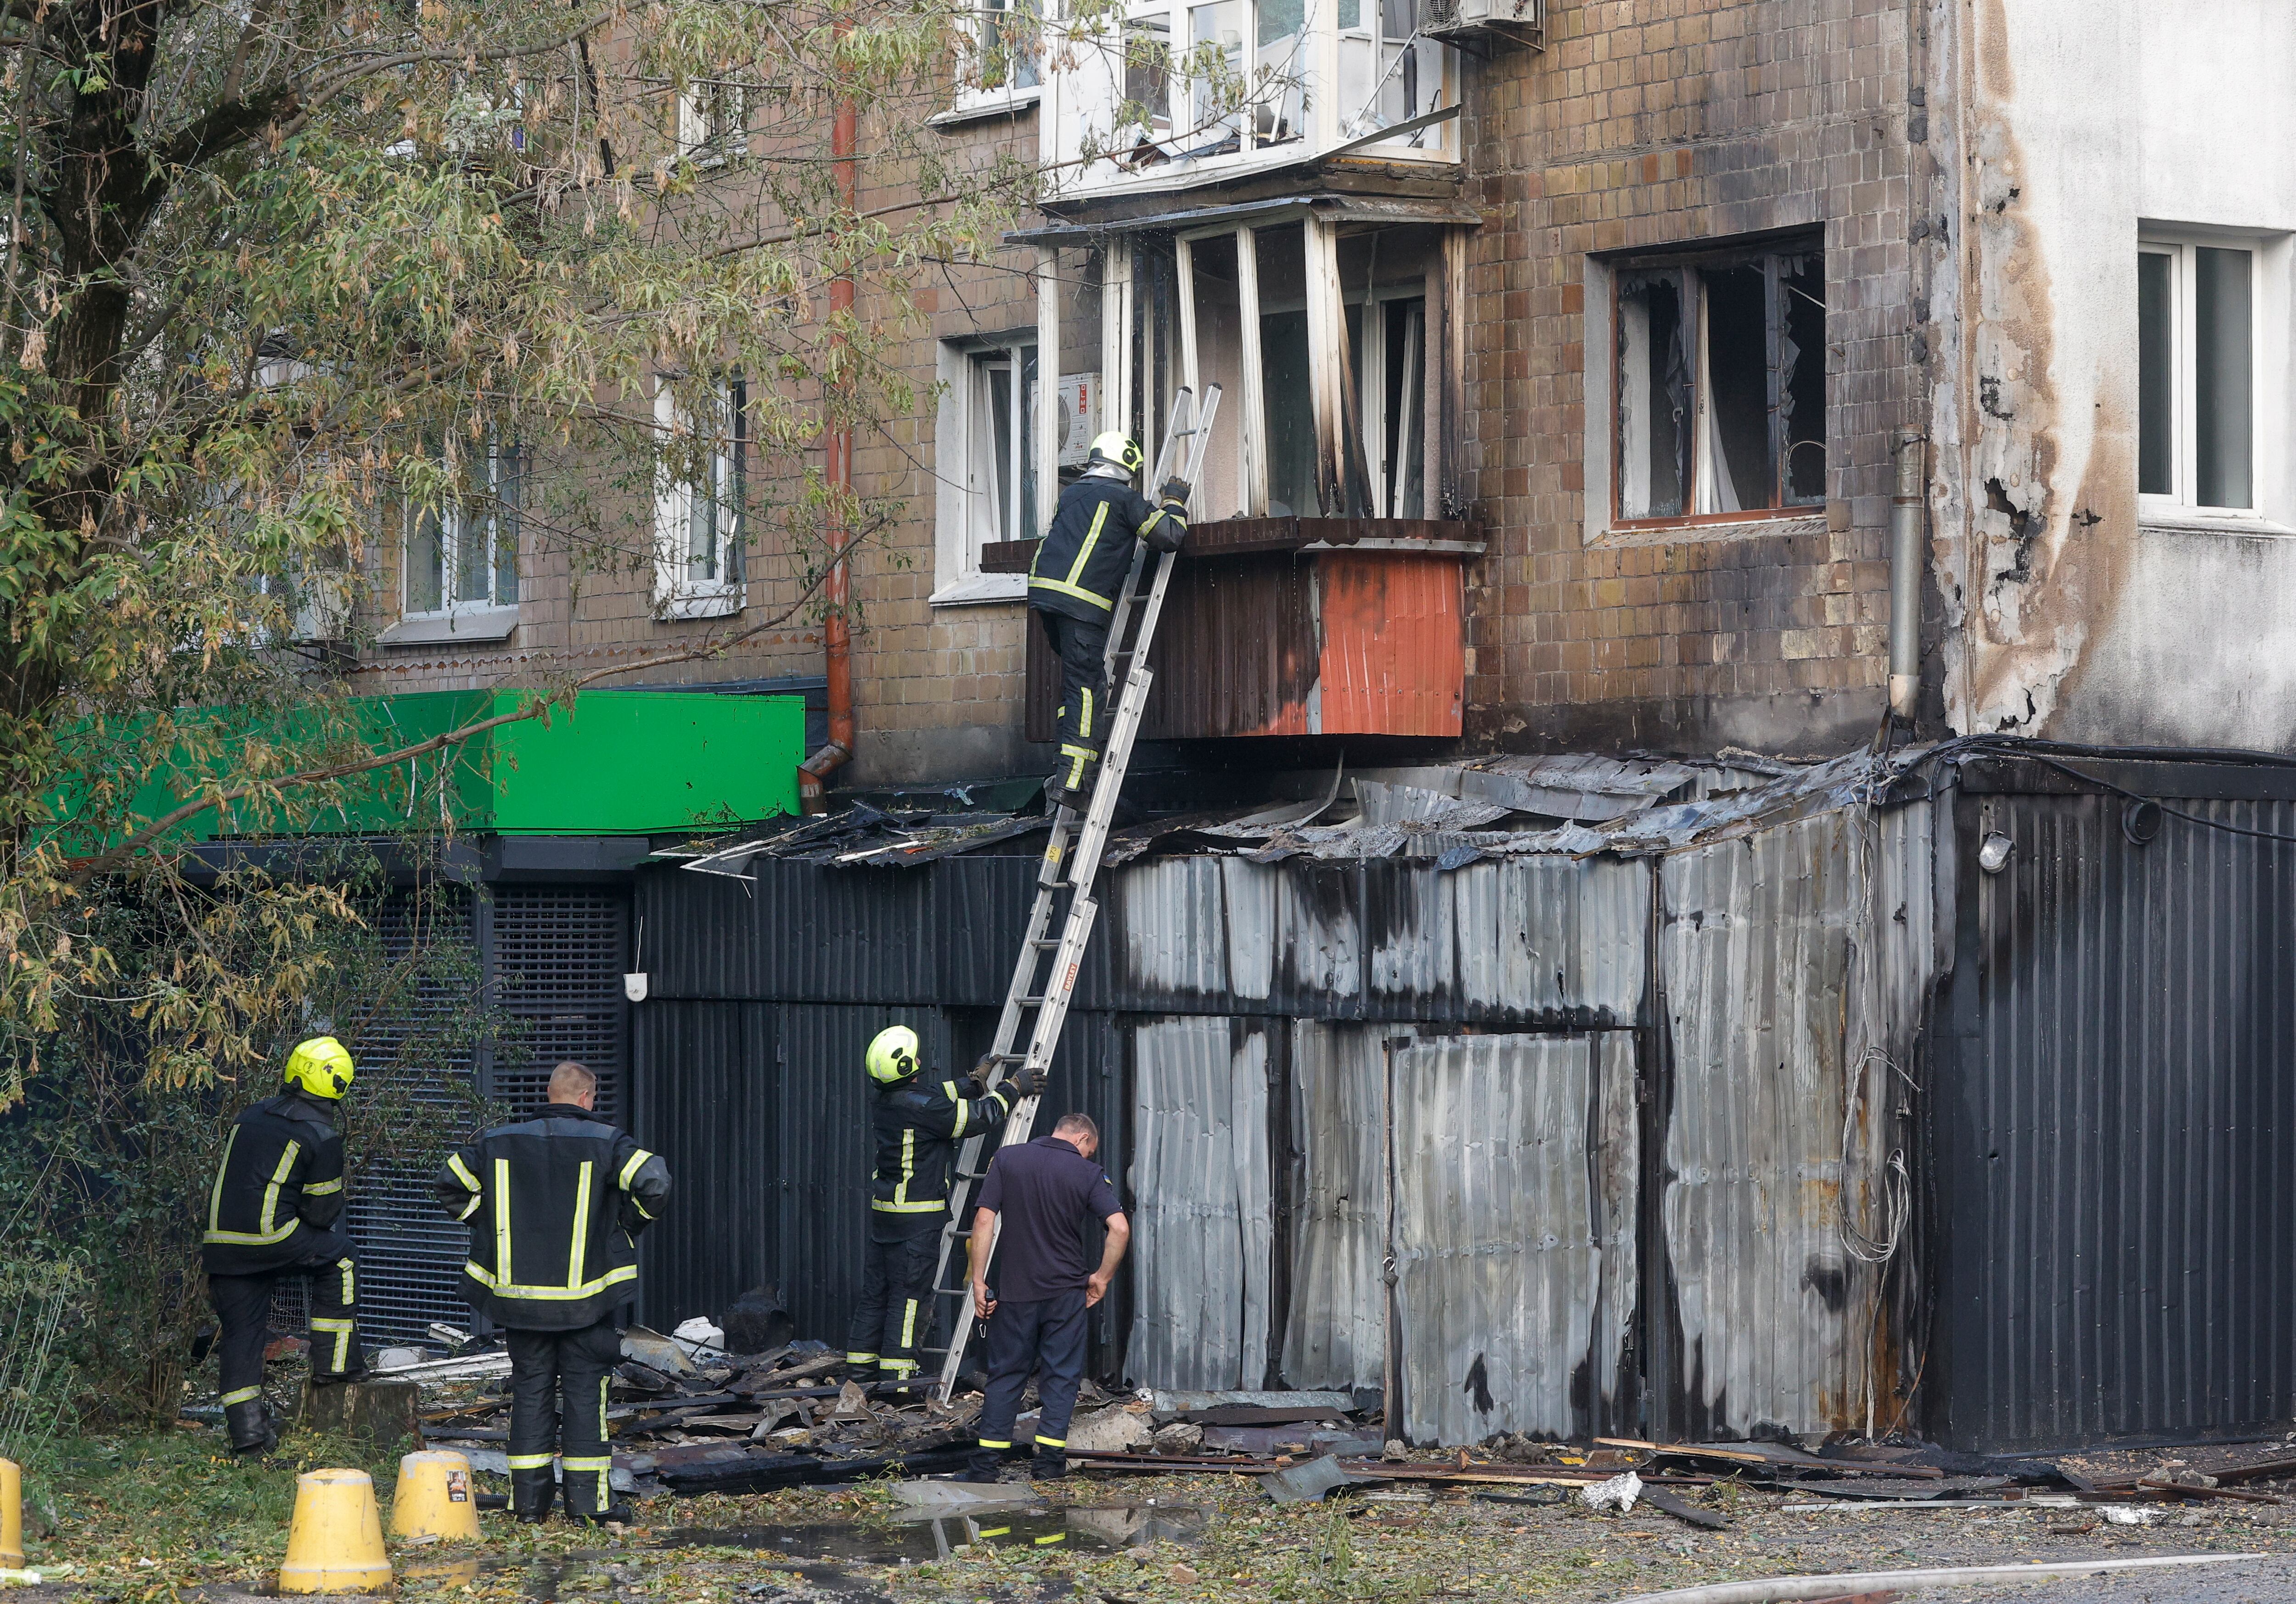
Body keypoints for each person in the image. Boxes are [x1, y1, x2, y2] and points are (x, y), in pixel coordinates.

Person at [436, 1061, 670, 1525]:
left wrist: (487, 1224)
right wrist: (627, 1225)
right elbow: (655, 1183)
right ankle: (589, 1507)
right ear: (587, 1097)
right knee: (586, 1395)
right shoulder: (608, 1142)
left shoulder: (498, 1141)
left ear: (551, 1094)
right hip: (586, 1303)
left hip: (520, 1304)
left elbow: (451, 1183)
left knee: (529, 1395)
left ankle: (527, 1507)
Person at [846, 1026, 1041, 1386]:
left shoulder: (889, 1100)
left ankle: (860, 1372)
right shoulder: (923, 1109)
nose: (920, 1060)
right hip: (918, 1220)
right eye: (915, 1058)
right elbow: (977, 1119)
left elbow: (933, 1095)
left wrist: (973, 1081)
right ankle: (898, 1381)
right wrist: (1013, 1089)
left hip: (886, 1217)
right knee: (908, 1300)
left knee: (876, 1295)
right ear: (905, 1066)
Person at [202, 1035, 368, 1455]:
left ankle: (250, 1440)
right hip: (273, 1237)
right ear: (339, 1085)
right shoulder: (321, 1134)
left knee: (242, 1336)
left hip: (222, 1244)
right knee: (342, 1257)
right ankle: (335, 1367)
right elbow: (320, 1214)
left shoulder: (249, 1116)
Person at [960, 1112, 1130, 1483]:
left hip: (1017, 1291)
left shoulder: (1007, 1159)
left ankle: (985, 1468)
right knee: (1061, 1376)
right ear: (1083, 1139)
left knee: (1006, 1375)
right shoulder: (1087, 1173)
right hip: (1066, 1294)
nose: (1086, 1157)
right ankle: (1049, 1466)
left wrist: (978, 1281)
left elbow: (985, 1221)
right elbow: (1119, 1227)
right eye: (1089, 1151)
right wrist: (1101, 1278)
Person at [1027, 432, 1190, 809]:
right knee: (1087, 690)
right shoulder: (1124, 498)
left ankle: (1067, 765)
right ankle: (1072, 781)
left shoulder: (1071, 494)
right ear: (1127, 467)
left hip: (1046, 597)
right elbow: (1169, 536)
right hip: (1081, 604)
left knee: (1076, 685)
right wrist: (1173, 503)